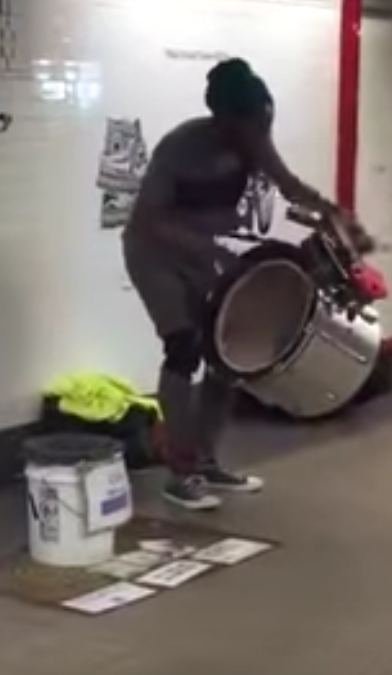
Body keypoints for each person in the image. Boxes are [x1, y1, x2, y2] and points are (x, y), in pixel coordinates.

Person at [122, 57, 370, 512]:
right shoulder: (181, 148)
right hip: (155, 255)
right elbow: (149, 221)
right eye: (253, 123)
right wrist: (213, 251)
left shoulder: (253, 138)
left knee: (225, 357)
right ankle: (180, 474)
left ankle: (207, 459)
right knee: (184, 346)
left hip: (207, 253)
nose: (261, 132)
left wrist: (335, 215)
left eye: (264, 122)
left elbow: (290, 186)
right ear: (224, 119)